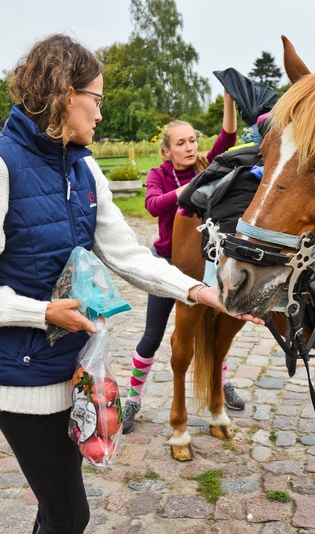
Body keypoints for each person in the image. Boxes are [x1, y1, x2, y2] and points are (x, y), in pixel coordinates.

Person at [0, 34, 260, 534]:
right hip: (21, 384)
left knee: (55, 505)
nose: (101, 115)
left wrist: (200, 291)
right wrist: (40, 313)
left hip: (73, 375)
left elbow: (126, 254)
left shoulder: (83, 168)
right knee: (70, 514)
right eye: (97, 101)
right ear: (66, 95)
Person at [122, 92, 245, 434]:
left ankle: (219, 381)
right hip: (166, 265)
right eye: (181, 143)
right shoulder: (159, 175)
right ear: (167, 150)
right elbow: (153, 204)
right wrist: (190, 189)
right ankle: (132, 399)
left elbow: (229, 138)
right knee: (152, 335)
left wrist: (229, 101)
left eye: (192, 140)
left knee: (217, 329)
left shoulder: (207, 164)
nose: (189, 147)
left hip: (205, 263)